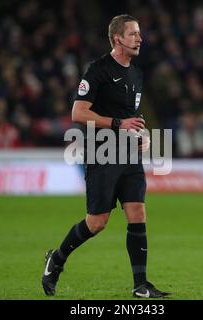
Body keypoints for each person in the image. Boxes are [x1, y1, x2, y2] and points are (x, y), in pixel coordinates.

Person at [42, 14, 171, 298]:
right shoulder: (98, 70)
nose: (140, 38)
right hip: (102, 152)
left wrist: (143, 135)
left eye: (139, 33)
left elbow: (132, 117)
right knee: (97, 222)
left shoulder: (136, 72)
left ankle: (140, 285)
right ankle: (57, 259)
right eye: (133, 34)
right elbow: (78, 113)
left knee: (137, 212)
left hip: (129, 154)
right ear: (117, 39)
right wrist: (117, 124)